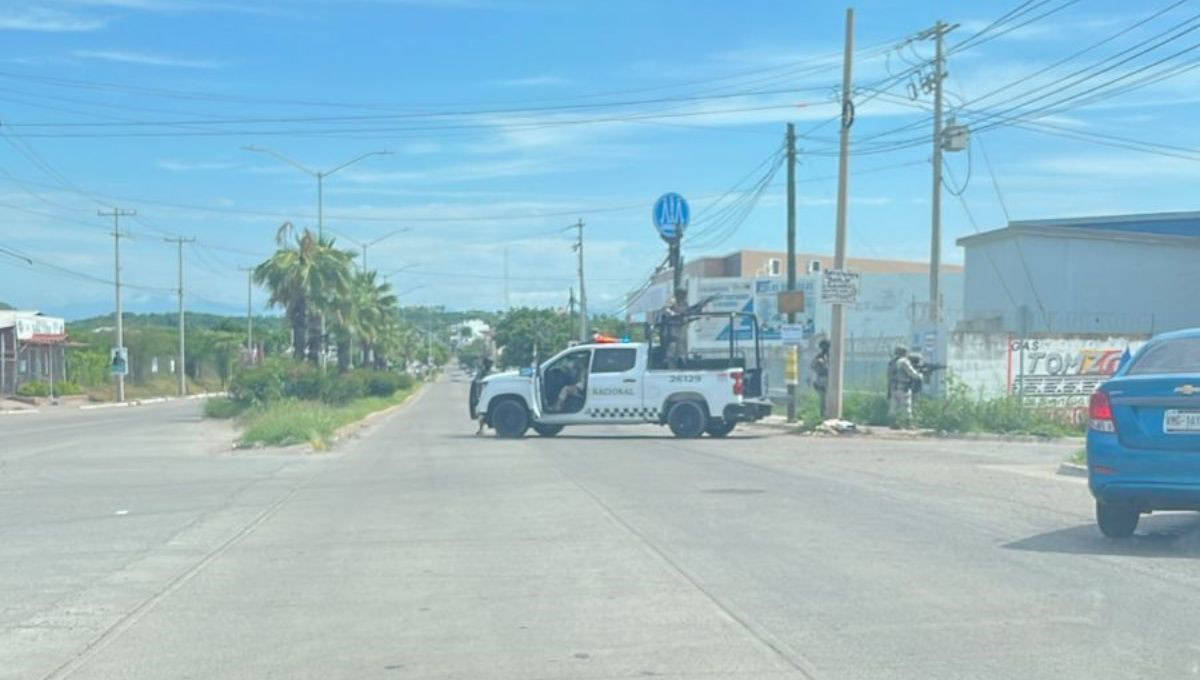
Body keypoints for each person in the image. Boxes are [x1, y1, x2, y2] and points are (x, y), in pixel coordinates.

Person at [887, 346, 922, 427]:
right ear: (904, 353)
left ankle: (893, 424)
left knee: (894, 406)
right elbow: (912, 373)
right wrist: (920, 375)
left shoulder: (892, 361)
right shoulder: (904, 361)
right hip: (903, 387)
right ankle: (908, 424)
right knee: (906, 406)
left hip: (893, 387)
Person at [472, 357, 493, 435]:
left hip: (491, 394)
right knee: (481, 413)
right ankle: (481, 429)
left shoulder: (493, 372)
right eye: (488, 363)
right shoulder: (481, 372)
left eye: (490, 363)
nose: (490, 365)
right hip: (482, 394)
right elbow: (477, 382)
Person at [809, 339, 830, 418]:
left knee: (826, 400)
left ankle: (827, 415)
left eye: (825, 347)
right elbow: (812, 366)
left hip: (829, 379)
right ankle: (823, 416)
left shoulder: (831, 355)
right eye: (822, 347)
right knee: (823, 400)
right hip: (822, 378)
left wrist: (824, 364)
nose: (824, 349)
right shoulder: (820, 356)